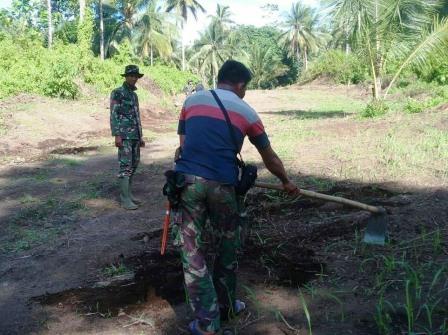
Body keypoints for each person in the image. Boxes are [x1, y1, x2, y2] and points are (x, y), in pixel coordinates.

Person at [174, 60, 299, 335]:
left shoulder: (191, 101)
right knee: (227, 247)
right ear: (240, 85)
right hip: (223, 187)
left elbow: (183, 144)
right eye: (246, 87)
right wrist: (286, 182)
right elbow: (269, 156)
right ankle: (226, 307)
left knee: (192, 252)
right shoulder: (248, 112)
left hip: (189, 184)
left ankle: (207, 320)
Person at [110, 65, 145, 210]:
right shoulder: (117, 93)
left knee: (134, 164)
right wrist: (117, 135)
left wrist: (140, 135)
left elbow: (137, 117)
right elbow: (114, 114)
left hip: (135, 136)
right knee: (125, 166)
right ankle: (124, 200)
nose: (134, 78)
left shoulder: (134, 95)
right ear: (125, 77)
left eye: (136, 76)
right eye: (131, 76)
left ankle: (129, 194)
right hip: (124, 136)